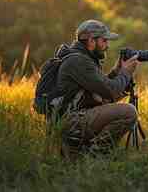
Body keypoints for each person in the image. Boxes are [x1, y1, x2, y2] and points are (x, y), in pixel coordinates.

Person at [54, 19, 139, 159]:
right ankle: (95, 156)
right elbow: (110, 91)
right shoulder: (78, 61)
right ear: (91, 41)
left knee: (113, 106)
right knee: (129, 112)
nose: (107, 45)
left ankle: (83, 151)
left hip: (73, 119)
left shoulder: (83, 58)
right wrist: (125, 73)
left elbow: (102, 91)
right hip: (71, 122)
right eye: (104, 41)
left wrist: (116, 72)